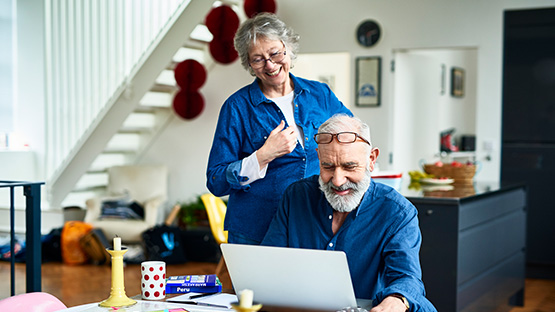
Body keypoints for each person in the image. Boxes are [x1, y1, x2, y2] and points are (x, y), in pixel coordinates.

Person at [262, 114, 437, 312]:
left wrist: (396, 300)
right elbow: (269, 262)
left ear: (371, 159)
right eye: (328, 167)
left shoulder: (397, 213)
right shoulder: (296, 196)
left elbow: (407, 278)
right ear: (319, 158)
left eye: (349, 166)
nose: (337, 180)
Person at [206, 13, 352, 245]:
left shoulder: (320, 94)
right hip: (256, 230)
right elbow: (216, 180)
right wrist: (263, 156)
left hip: (315, 225)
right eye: (258, 59)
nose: (270, 65)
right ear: (249, 64)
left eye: (275, 53)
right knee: (255, 284)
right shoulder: (237, 107)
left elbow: (352, 139)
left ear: (288, 48)